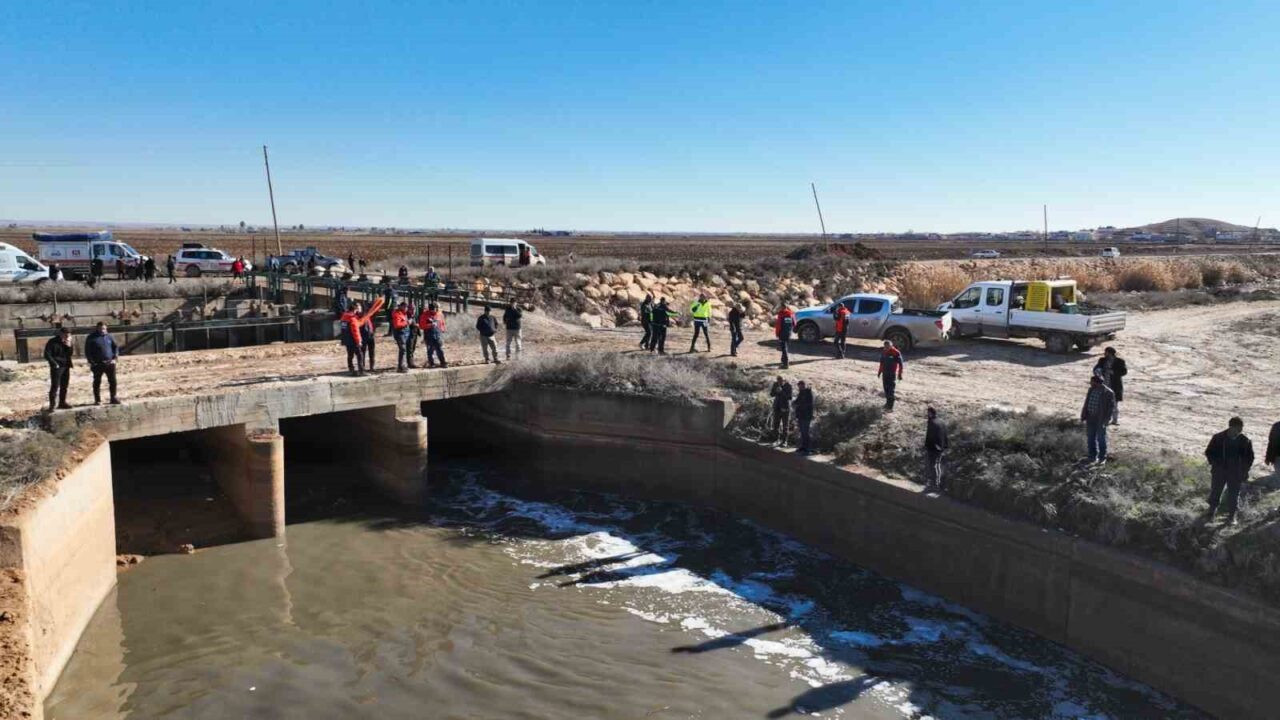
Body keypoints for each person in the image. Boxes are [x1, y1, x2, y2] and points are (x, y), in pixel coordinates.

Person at [1204, 418, 1254, 526]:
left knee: (1234, 495)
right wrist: (1215, 464)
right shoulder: (1218, 438)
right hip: (1220, 471)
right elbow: (1209, 452)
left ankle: (1232, 516)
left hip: (1236, 472)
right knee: (1216, 492)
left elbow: (1250, 458)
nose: (1240, 430)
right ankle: (1211, 513)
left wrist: (1244, 470)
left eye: (1241, 428)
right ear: (1231, 427)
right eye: (1238, 428)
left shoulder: (1245, 441)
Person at [338, 297, 385, 376]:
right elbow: (355, 330)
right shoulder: (353, 318)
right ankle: (361, 370)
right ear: (354, 309)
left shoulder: (345, 317)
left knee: (351, 354)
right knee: (360, 354)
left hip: (348, 339)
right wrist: (359, 340)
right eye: (357, 307)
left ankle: (352, 369)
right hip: (355, 339)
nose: (358, 309)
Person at [1079, 375, 1116, 465]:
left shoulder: (1108, 392)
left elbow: (1111, 408)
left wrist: (1106, 420)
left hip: (1101, 419)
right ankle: (1092, 456)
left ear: (1098, 383)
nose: (1090, 384)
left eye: (1092, 382)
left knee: (1101, 438)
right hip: (1090, 417)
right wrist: (1083, 414)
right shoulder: (1091, 389)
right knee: (1090, 437)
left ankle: (1102, 458)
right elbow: (1087, 402)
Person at [85, 321, 120, 405]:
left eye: (104, 328)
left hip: (110, 363)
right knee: (97, 382)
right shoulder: (91, 337)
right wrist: (91, 362)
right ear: (97, 328)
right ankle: (97, 400)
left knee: (113, 381)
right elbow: (87, 351)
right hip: (97, 364)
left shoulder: (110, 336)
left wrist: (115, 358)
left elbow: (115, 347)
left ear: (106, 328)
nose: (102, 330)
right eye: (100, 328)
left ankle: (113, 398)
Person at [1093, 347, 1128, 425]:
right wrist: (1098, 371)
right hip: (1104, 384)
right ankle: (1104, 418)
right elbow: (1097, 368)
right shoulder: (1102, 360)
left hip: (1115, 385)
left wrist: (1113, 372)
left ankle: (1114, 420)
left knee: (1114, 403)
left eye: (1106, 352)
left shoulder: (1120, 361)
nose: (1105, 354)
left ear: (1110, 353)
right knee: (1103, 403)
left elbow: (1124, 372)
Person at [44, 327, 74, 411]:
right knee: (55, 386)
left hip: (66, 365)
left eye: (68, 335)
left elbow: (70, 354)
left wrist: (69, 346)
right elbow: (47, 354)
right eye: (65, 335)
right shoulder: (52, 341)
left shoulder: (68, 341)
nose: (67, 337)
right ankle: (52, 405)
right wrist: (54, 364)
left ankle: (62, 402)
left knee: (64, 386)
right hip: (57, 366)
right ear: (61, 334)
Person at [924, 407, 949, 489]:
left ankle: (934, 483)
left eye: (928, 413)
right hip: (941, 447)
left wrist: (927, 446)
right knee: (938, 465)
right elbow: (945, 435)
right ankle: (939, 483)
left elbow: (930, 436)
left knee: (933, 465)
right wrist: (945, 446)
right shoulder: (942, 422)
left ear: (930, 413)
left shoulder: (931, 422)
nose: (927, 414)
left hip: (933, 448)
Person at [877, 340, 905, 411]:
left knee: (891, 390)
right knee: (886, 389)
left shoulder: (896, 352)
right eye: (885, 347)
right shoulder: (884, 352)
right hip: (885, 373)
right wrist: (879, 372)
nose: (886, 348)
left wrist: (900, 374)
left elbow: (901, 364)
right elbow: (882, 363)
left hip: (892, 374)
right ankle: (887, 403)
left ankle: (891, 406)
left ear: (891, 346)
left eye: (888, 347)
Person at [418, 302, 447, 368]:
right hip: (429, 335)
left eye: (435, 310)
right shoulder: (425, 315)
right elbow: (421, 326)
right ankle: (432, 363)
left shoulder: (439, 314)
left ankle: (443, 362)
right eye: (432, 310)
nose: (434, 311)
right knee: (430, 350)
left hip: (438, 335)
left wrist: (443, 329)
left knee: (439, 349)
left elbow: (442, 323)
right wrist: (430, 325)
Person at [769, 376, 793, 446]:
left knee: (785, 425)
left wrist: (782, 391)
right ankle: (776, 440)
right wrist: (775, 391)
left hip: (785, 408)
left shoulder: (788, 386)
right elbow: (771, 394)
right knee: (776, 424)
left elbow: (789, 397)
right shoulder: (775, 384)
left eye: (781, 381)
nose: (779, 382)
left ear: (784, 380)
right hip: (777, 407)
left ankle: (784, 441)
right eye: (778, 380)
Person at [793, 380, 814, 454]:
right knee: (802, 432)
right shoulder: (801, 393)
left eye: (800, 386)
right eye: (799, 387)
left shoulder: (808, 393)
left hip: (806, 415)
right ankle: (803, 446)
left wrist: (799, 404)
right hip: (801, 415)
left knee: (806, 432)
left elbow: (808, 404)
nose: (799, 388)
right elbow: (797, 401)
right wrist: (794, 403)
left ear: (803, 385)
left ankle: (808, 448)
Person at [391, 301, 413, 372]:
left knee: (404, 350)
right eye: (405, 307)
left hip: (405, 334)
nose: (406, 309)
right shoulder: (397, 314)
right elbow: (397, 325)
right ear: (401, 306)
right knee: (403, 350)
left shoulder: (404, 313)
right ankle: (401, 366)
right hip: (400, 334)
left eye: (406, 307)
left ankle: (403, 365)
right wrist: (407, 322)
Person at [774, 305, 796, 369]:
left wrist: (777, 334)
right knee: (785, 347)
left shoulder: (781, 314)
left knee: (784, 348)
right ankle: (783, 361)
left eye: (780, 307)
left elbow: (778, 325)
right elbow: (794, 323)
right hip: (789, 333)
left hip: (782, 333)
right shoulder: (791, 314)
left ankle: (785, 364)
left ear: (782, 307)